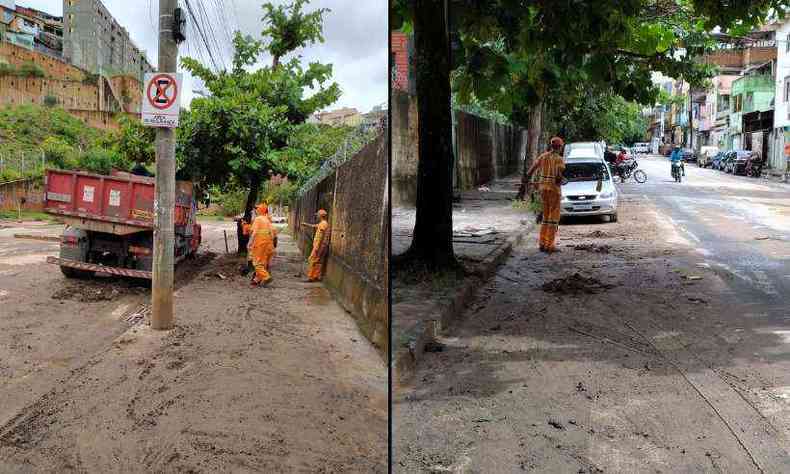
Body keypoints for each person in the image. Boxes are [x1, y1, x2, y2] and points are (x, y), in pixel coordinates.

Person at [525, 136, 566, 253]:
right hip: (554, 190)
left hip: (543, 190)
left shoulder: (543, 156)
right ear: (560, 147)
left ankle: (542, 243)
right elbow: (558, 176)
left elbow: (531, 170)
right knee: (553, 219)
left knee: (545, 217)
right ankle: (550, 245)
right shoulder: (559, 159)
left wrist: (526, 181)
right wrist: (562, 179)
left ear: (551, 146)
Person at [247, 202, 277, 287]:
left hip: (260, 243)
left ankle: (266, 277)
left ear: (260, 210)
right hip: (268, 244)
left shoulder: (258, 219)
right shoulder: (267, 220)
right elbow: (272, 234)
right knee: (262, 263)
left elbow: (255, 232)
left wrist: (249, 243)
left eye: (257, 209)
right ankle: (256, 280)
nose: (256, 210)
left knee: (256, 263)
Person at [301, 209, 330, 282]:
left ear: (321, 216)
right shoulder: (323, 223)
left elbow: (321, 236)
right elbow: (314, 226)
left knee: (312, 260)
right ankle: (316, 276)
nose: (317, 216)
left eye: (317, 215)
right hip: (321, 246)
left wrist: (317, 247)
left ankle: (311, 277)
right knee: (318, 261)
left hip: (319, 246)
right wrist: (306, 224)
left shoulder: (323, 224)